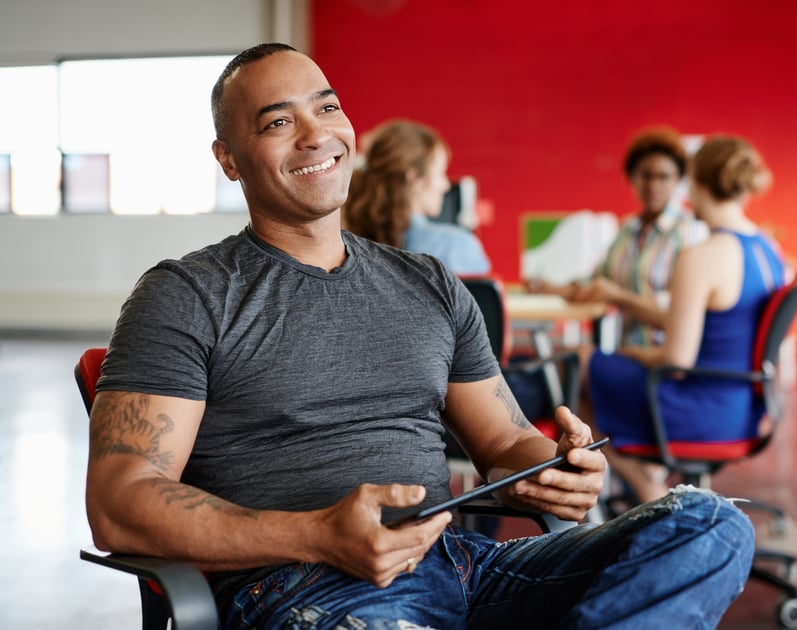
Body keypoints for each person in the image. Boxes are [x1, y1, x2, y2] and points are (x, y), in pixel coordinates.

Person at [85, 43, 754, 629]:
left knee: (709, 526)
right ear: (229, 160)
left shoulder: (429, 282)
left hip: (463, 566)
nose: (315, 136)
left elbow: (502, 441)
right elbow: (120, 503)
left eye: (327, 108)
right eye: (279, 122)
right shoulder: (186, 294)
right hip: (305, 586)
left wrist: (549, 470)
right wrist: (317, 535)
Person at [588, 134, 786, 504]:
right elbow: (711, 328)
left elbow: (676, 360)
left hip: (700, 411)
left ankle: (651, 497)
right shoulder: (766, 248)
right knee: (600, 369)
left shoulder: (702, 257)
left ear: (695, 184)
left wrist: (630, 354)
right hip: (745, 410)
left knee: (581, 372)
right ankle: (650, 492)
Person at [527, 126, 708, 348]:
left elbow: (678, 313)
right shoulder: (628, 229)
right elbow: (599, 281)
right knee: (570, 357)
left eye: (663, 177)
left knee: (576, 359)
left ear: (678, 180)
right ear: (631, 178)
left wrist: (618, 297)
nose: (653, 185)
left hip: (666, 356)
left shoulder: (689, 232)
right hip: (628, 352)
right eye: (645, 175)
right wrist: (549, 288)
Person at [343, 118, 491, 275]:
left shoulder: (342, 249)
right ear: (413, 178)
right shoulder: (455, 246)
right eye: (440, 173)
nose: (446, 185)